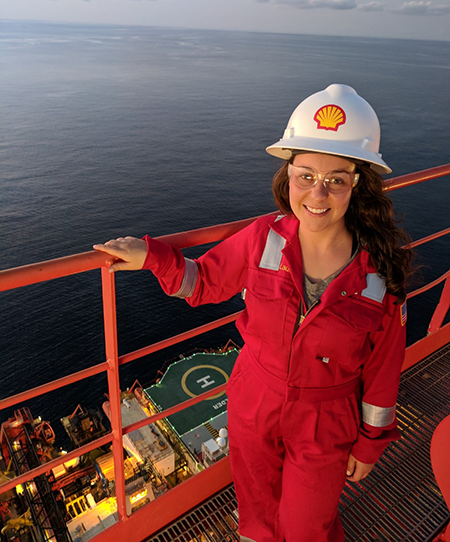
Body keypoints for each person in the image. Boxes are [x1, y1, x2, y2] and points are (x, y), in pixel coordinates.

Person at [94, 84, 412, 542]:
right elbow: (203, 281)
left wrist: (369, 441)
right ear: (288, 173)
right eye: (306, 175)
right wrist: (153, 256)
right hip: (253, 402)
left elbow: (384, 369)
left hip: (325, 421)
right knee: (257, 519)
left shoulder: (379, 275)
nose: (317, 194)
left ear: (358, 184)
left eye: (336, 179)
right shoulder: (264, 238)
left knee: (307, 527)